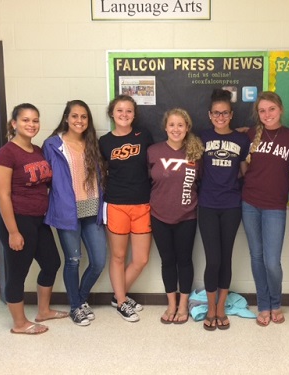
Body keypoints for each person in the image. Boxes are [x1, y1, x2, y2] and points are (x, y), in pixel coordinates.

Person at [0, 103, 67, 335]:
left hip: (38, 219)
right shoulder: (6, 153)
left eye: (35, 120)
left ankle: (43, 311)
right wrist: (13, 231)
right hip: (17, 220)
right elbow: (2, 195)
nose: (31, 124)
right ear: (14, 124)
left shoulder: (36, 150)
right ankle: (19, 323)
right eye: (25, 120)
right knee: (18, 272)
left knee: (52, 263)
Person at [43, 100, 107, 326]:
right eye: (75, 116)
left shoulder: (92, 143)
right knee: (72, 260)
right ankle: (75, 307)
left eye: (84, 117)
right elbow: (47, 179)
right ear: (66, 118)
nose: (79, 120)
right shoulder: (52, 144)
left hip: (92, 208)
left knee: (98, 261)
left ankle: (80, 299)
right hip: (67, 211)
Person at [241, 92, 289, 327]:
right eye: (262, 110)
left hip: (275, 206)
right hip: (250, 203)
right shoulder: (250, 134)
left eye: (271, 109)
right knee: (256, 256)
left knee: (272, 261)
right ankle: (263, 305)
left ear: (281, 109)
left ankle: (276, 302)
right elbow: (243, 163)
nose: (267, 115)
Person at [198, 88, 250, 331]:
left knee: (226, 257)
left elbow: (244, 172)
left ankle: (221, 307)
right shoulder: (201, 138)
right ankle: (210, 307)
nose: (220, 117)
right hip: (207, 204)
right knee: (213, 258)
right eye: (216, 113)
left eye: (225, 113)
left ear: (231, 114)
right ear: (210, 115)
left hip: (231, 205)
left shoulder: (242, 140)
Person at [98, 95, 154, 322]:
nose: (124, 114)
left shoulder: (145, 136)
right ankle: (122, 301)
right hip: (116, 205)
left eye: (129, 111)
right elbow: (100, 172)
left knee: (141, 259)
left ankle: (117, 296)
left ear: (134, 114)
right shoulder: (104, 142)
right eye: (119, 110)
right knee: (118, 256)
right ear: (112, 113)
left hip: (142, 203)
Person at [147, 108, 203, 324]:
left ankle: (183, 305)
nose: (176, 129)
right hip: (159, 215)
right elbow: (148, 181)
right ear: (165, 127)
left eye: (180, 125)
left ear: (187, 127)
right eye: (172, 125)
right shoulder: (153, 151)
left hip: (187, 216)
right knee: (167, 261)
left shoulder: (196, 153)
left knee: (185, 260)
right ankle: (171, 304)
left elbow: (202, 182)